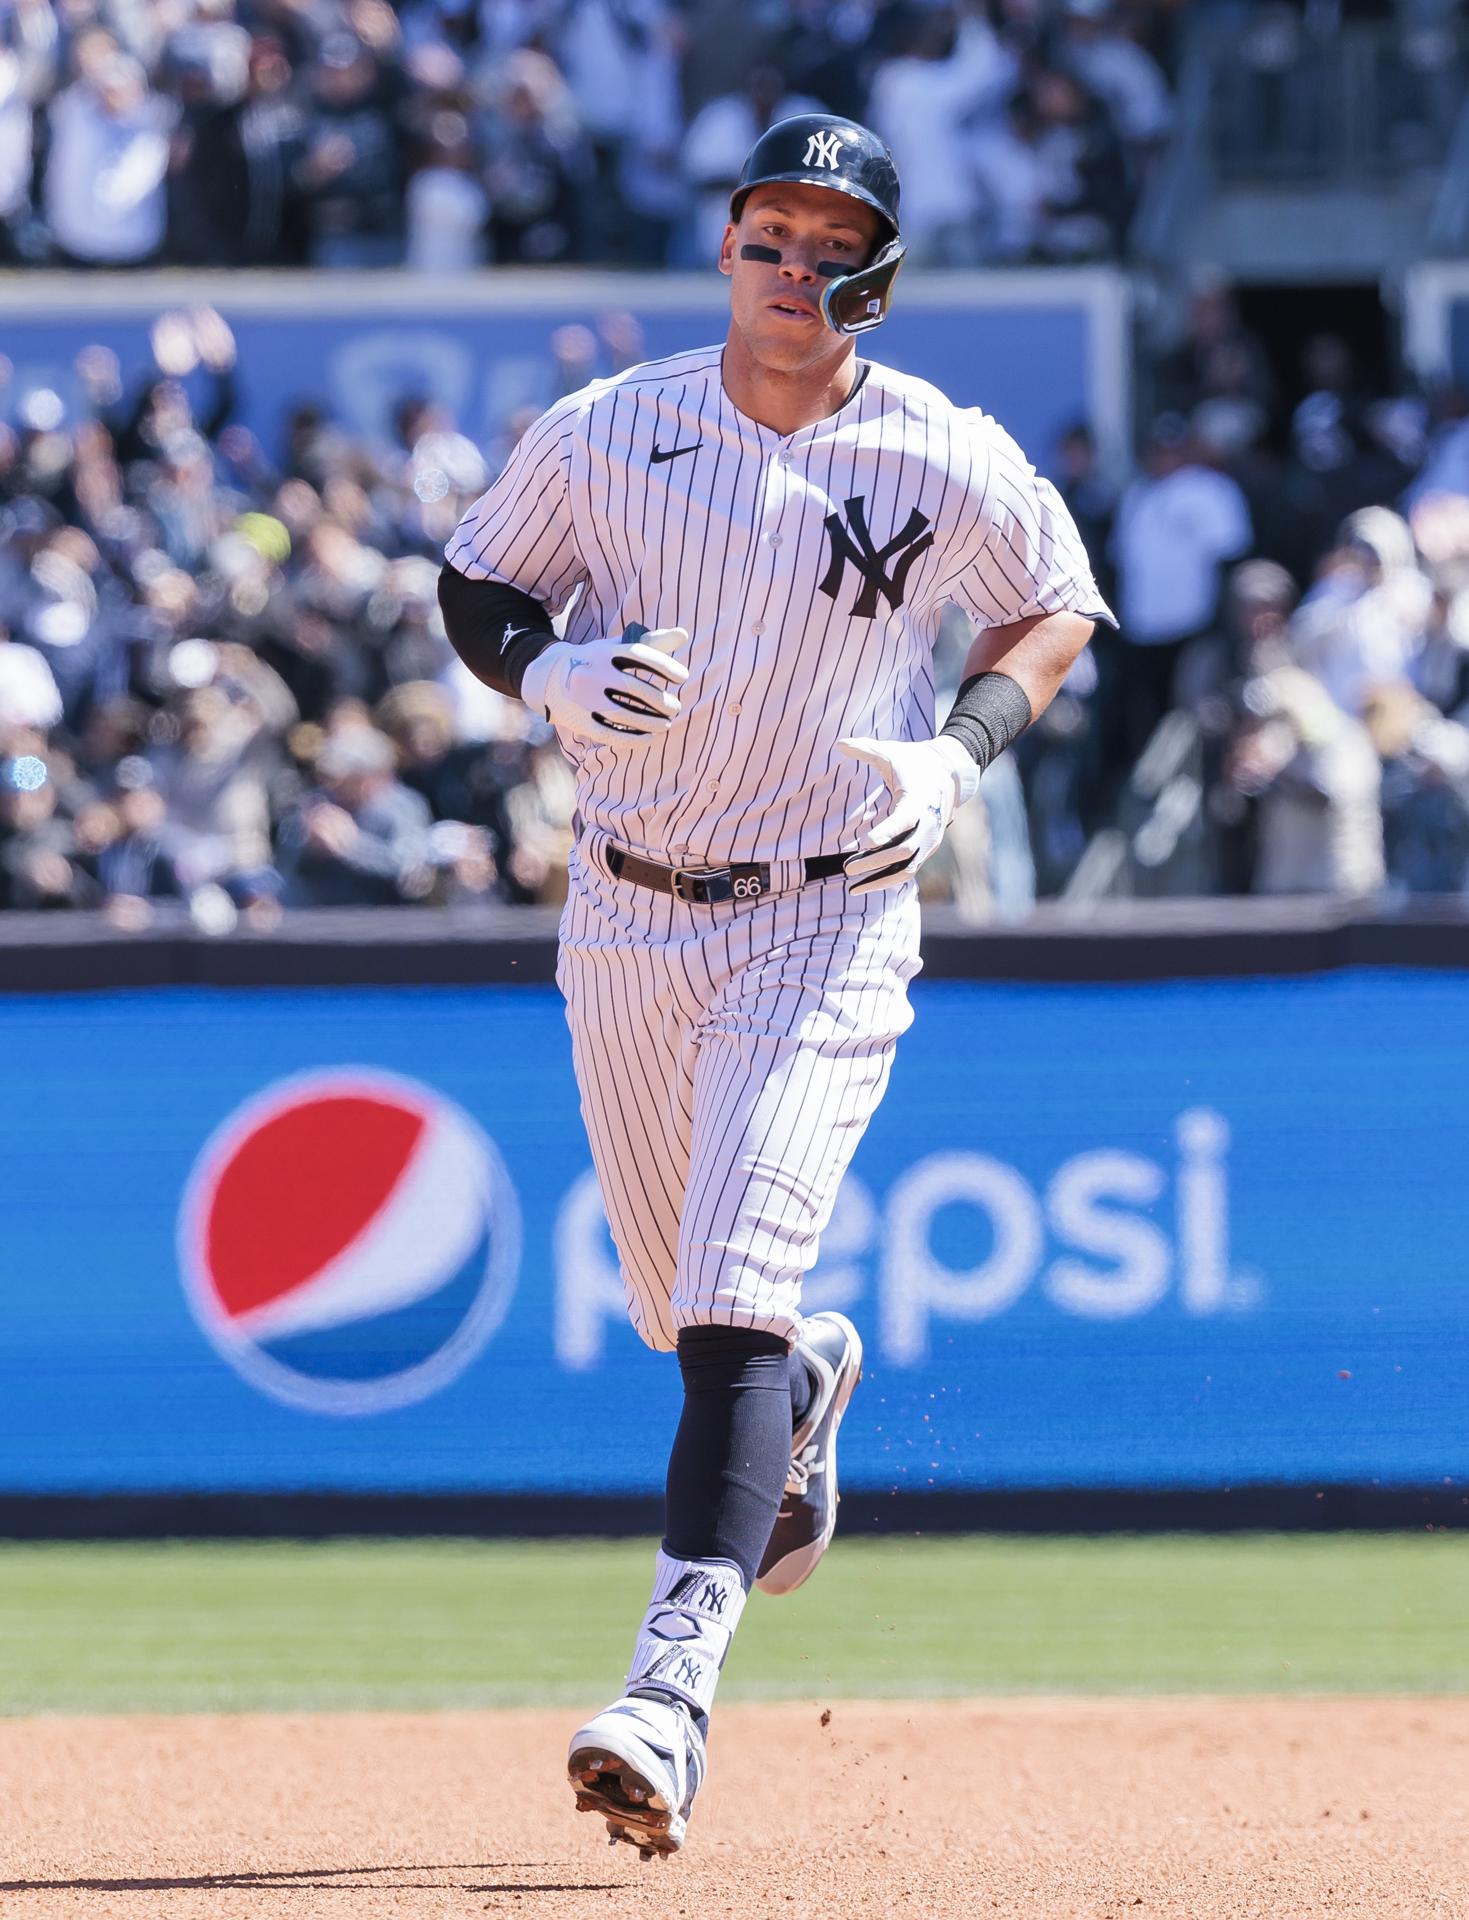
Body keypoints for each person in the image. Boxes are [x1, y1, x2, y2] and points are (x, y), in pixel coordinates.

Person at [437, 112, 1111, 1859]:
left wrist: (959, 758)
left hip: (826, 911)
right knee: (685, 1318)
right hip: (627, 907)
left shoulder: (936, 450)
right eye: (767, 237)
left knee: (727, 1289)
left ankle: (668, 1691)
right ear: (724, 244)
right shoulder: (613, 426)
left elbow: (1052, 607)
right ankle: (802, 1377)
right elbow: (477, 575)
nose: (792, 272)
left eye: (830, 248)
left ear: (879, 278)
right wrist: (546, 670)